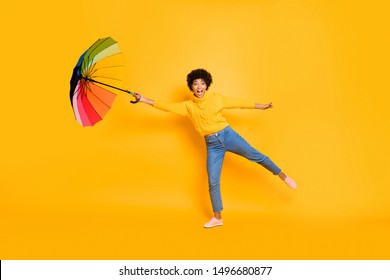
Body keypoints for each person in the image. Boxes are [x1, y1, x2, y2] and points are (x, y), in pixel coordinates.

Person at [133, 68, 296, 228]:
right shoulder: (188, 106)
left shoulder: (216, 99)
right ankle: (218, 217)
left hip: (228, 135)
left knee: (257, 156)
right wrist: (143, 99)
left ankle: (283, 176)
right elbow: (165, 106)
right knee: (213, 181)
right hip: (212, 145)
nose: (199, 87)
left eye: (202, 83)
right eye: (195, 84)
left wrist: (260, 106)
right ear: (191, 86)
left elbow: (239, 103)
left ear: (206, 85)